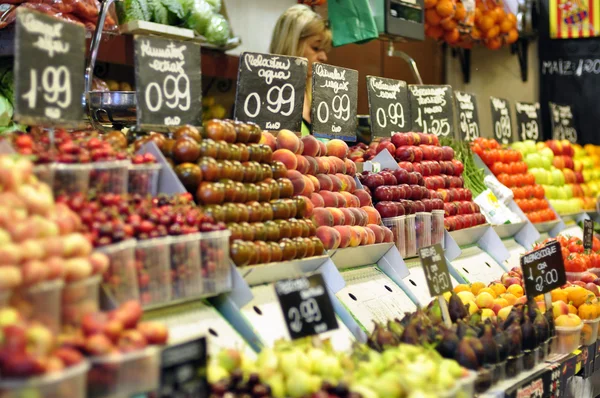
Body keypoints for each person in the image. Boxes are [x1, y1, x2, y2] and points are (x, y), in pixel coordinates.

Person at [269, 4, 332, 137]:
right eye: (315, 48)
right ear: (291, 44)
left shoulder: (320, 97)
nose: (324, 57)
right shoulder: (264, 100)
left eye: (325, 50)